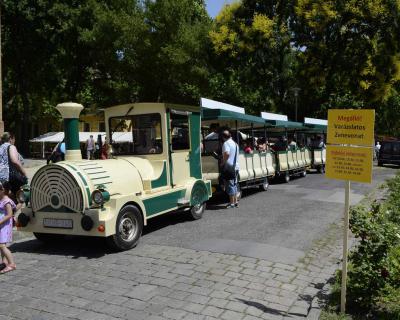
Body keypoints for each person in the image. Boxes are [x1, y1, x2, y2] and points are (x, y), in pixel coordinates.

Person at [0, 133, 28, 197]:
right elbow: (15, 161)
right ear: (10, 139)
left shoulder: (0, 147)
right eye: (14, 139)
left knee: (4, 198)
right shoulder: (11, 146)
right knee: (20, 198)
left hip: (1, 179)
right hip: (9, 178)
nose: (14, 141)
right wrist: (24, 173)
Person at [0, 181, 17, 274]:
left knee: (2, 245)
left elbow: (9, 214)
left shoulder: (7, 201)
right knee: (1, 245)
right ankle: (4, 262)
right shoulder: (1, 199)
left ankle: (11, 264)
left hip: (5, 227)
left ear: (2, 190)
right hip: (1, 226)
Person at [221, 130, 239, 209]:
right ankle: (235, 202)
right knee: (234, 184)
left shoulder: (226, 143)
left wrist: (223, 162)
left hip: (229, 167)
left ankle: (232, 203)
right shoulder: (235, 144)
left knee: (230, 185)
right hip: (236, 167)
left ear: (223, 137)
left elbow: (227, 153)